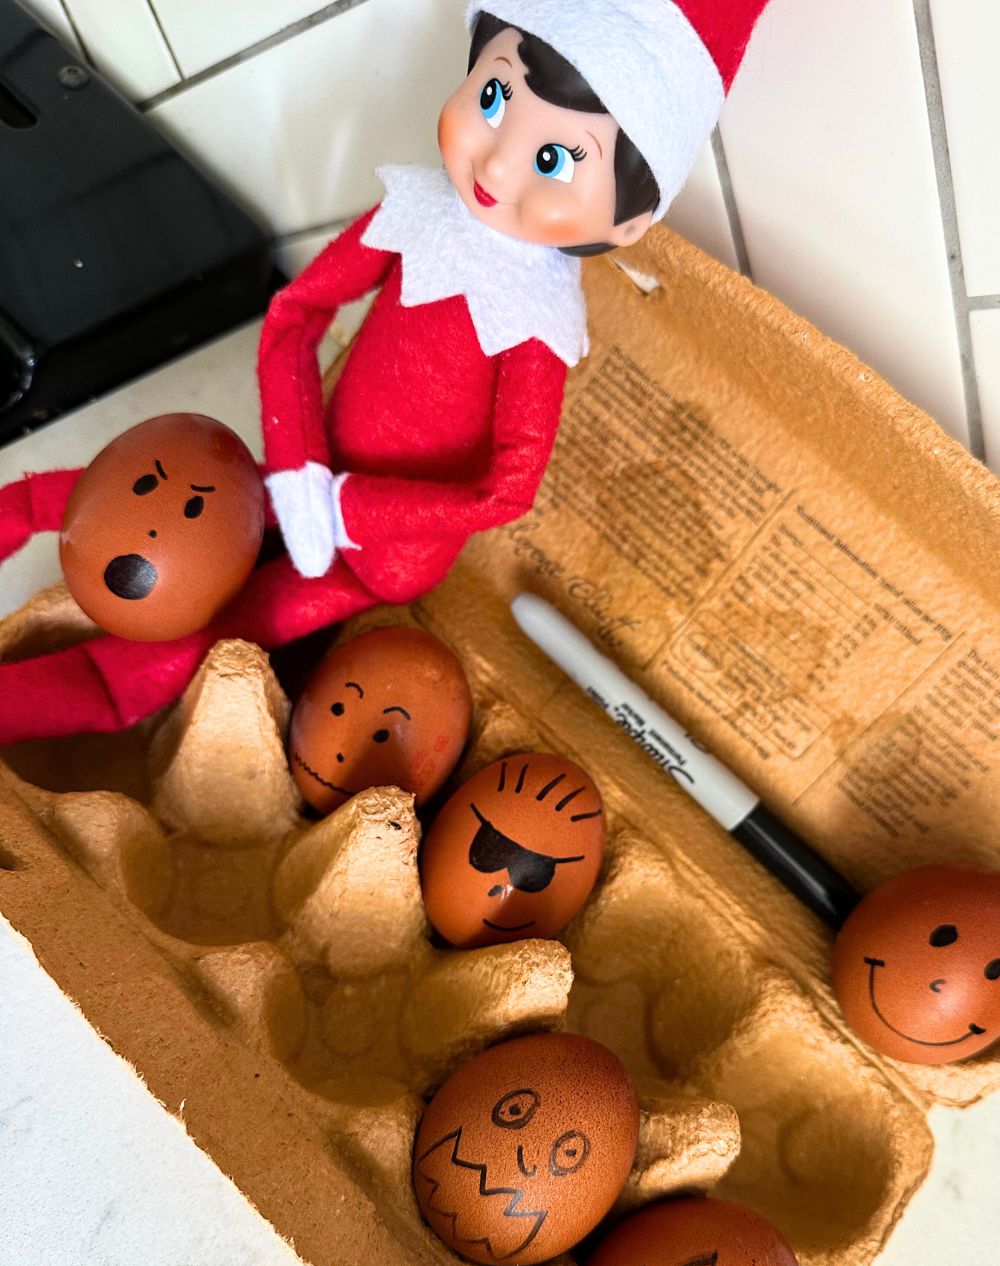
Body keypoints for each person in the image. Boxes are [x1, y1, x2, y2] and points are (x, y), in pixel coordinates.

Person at [0, 1, 770, 744]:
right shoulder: (419, 212)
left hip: (381, 557)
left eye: (555, 158)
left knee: (195, 640)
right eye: (494, 95)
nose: (499, 161)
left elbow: (504, 491)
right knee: (90, 501)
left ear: (629, 224)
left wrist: (341, 510)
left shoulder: (535, 323)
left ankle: (44, 703)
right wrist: (299, 467)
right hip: (302, 461)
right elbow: (296, 316)